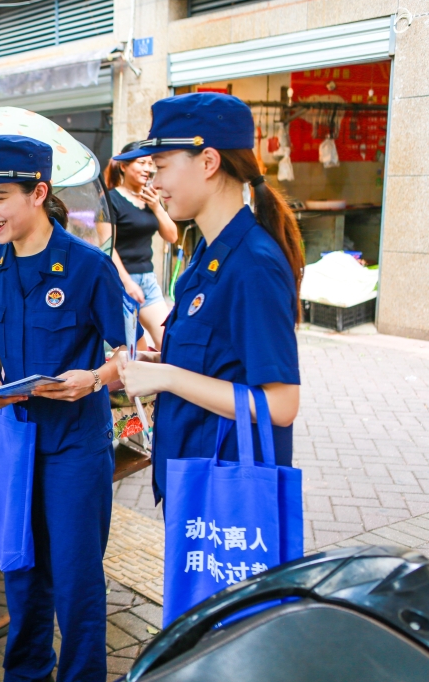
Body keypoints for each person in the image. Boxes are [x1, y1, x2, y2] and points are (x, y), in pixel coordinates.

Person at [0, 135, 137, 682]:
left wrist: (94, 380)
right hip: (16, 442)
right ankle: (27, 672)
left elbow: (126, 354)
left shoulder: (88, 267)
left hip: (74, 447)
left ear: (38, 193)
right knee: (19, 566)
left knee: (77, 576)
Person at [114, 92, 303, 507]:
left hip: (227, 492)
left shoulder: (253, 263)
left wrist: (167, 378)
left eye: (161, 167)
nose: (154, 182)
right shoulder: (209, 251)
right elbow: (219, 363)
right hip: (192, 478)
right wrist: (156, 365)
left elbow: (282, 404)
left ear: (209, 162)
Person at [104, 149, 178, 349]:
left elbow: (172, 236)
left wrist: (156, 206)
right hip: (120, 282)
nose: (147, 169)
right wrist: (127, 283)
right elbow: (107, 246)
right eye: (141, 163)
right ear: (124, 166)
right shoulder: (110, 199)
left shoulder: (152, 199)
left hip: (148, 280)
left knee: (169, 342)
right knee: (134, 352)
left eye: (150, 164)